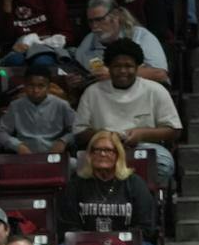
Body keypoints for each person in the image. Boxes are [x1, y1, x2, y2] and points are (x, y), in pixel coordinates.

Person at [74, 40, 182, 182]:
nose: (123, 71)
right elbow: (79, 132)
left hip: (143, 147)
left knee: (163, 165)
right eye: (117, 66)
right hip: (103, 149)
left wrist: (142, 134)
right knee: (76, 166)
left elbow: (174, 130)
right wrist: (108, 138)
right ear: (108, 67)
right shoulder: (92, 92)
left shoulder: (155, 90)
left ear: (138, 67)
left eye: (128, 66)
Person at [60, 130, 160, 240]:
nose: (102, 154)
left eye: (108, 150)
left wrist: (115, 244)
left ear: (118, 155)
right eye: (97, 150)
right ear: (90, 155)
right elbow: (68, 226)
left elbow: (145, 227)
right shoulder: (76, 184)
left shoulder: (135, 184)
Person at [0, 62, 80, 154]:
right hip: (25, 156)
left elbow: (78, 129)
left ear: (48, 87)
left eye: (41, 86)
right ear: (25, 85)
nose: (36, 90)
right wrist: (17, 145)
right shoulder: (16, 105)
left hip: (54, 155)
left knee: (74, 165)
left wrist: (63, 141)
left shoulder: (61, 104)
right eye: (31, 85)